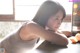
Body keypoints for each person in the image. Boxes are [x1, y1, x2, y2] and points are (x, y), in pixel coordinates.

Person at [0, 0, 68, 53]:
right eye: (56, 18)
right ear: (45, 16)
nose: (59, 22)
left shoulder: (42, 28)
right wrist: (58, 33)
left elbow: (67, 33)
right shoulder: (31, 26)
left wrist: (58, 32)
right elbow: (64, 41)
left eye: (61, 19)